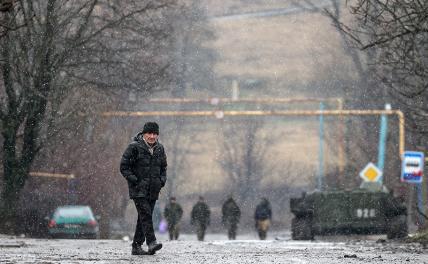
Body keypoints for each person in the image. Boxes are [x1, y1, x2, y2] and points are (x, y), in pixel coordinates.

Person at [120, 122, 167, 255]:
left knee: (143, 217)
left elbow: (163, 168)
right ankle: (151, 242)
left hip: (153, 190)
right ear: (144, 134)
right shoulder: (134, 147)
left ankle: (136, 246)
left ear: (157, 135)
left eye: (154, 134)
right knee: (146, 215)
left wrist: (161, 181)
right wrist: (135, 180)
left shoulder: (160, 148)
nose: (152, 136)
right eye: (149, 133)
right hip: (138, 190)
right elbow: (123, 167)